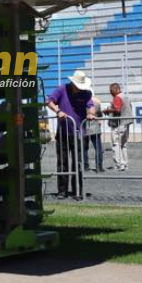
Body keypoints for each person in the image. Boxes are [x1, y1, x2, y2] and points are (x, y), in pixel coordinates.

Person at [47, 69, 91, 197]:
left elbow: (91, 106)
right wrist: (58, 110)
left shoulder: (86, 93)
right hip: (63, 133)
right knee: (62, 162)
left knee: (78, 163)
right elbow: (49, 101)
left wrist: (91, 113)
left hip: (79, 133)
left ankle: (78, 190)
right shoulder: (61, 89)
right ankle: (62, 190)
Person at [105, 82, 133, 171]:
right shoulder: (126, 96)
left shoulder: (117, 97)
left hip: (120, 123)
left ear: (117, 89)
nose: (110, 92)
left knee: (116, 144)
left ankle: (119, 164)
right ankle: (125, 163)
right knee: (123, 145)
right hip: (127, 121)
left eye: (112, 90)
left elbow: (117, 109)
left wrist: (107, 110)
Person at [84, 97, 104, 171]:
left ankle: (85, 166)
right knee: (98, 148)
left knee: (84, 149)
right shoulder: (96, 104)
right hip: (95, 127)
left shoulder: (81, 103)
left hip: (84, 127)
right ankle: (99, 166)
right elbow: (100, 114)